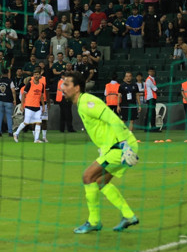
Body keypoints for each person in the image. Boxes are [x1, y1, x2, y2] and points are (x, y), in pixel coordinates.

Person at [61, 71, 140, 233]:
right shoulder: (81, 103)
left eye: (67, 84)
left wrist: (124, 145)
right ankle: (128, 215)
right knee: (100, 182)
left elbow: (112, 119)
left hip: (120, 146)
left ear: (77, 88)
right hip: (117, 146)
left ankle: (94, 221)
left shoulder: (87, 102)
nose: (62, 87)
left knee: (88, 176)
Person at [13, 68, 46, 143]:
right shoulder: (30, 83)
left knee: (38, 122)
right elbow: (24, 94)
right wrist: (22, 105)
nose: (36, 76)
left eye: (38, 74)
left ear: (40, 75)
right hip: (29, 106)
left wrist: (43, 106)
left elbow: (41, 96)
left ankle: (36, 139)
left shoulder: (42, 85)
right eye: (35, 74)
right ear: (33, 76)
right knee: (26, 122)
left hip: (37, 106)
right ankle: (16, 133)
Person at [0, 69, 16, 137]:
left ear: (1, 73)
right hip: (8, 101)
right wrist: (14, 99)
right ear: (8, 73)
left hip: (0, 100)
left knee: (0, 116)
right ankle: (10, 132)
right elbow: (13, 91)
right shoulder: (10, 81)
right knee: (9, 117)